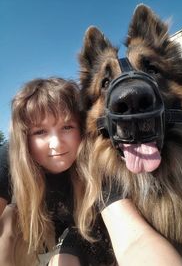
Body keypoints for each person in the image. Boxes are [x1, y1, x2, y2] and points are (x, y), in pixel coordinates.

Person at [0, 77, 115, 266]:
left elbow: (132, 232)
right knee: (10, 217)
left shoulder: (99, 156)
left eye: (67, 127)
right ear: (25, 138)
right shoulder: (10, 155)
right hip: (41, 227)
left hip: (88, 228)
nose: (56, 144)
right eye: (40, 132)